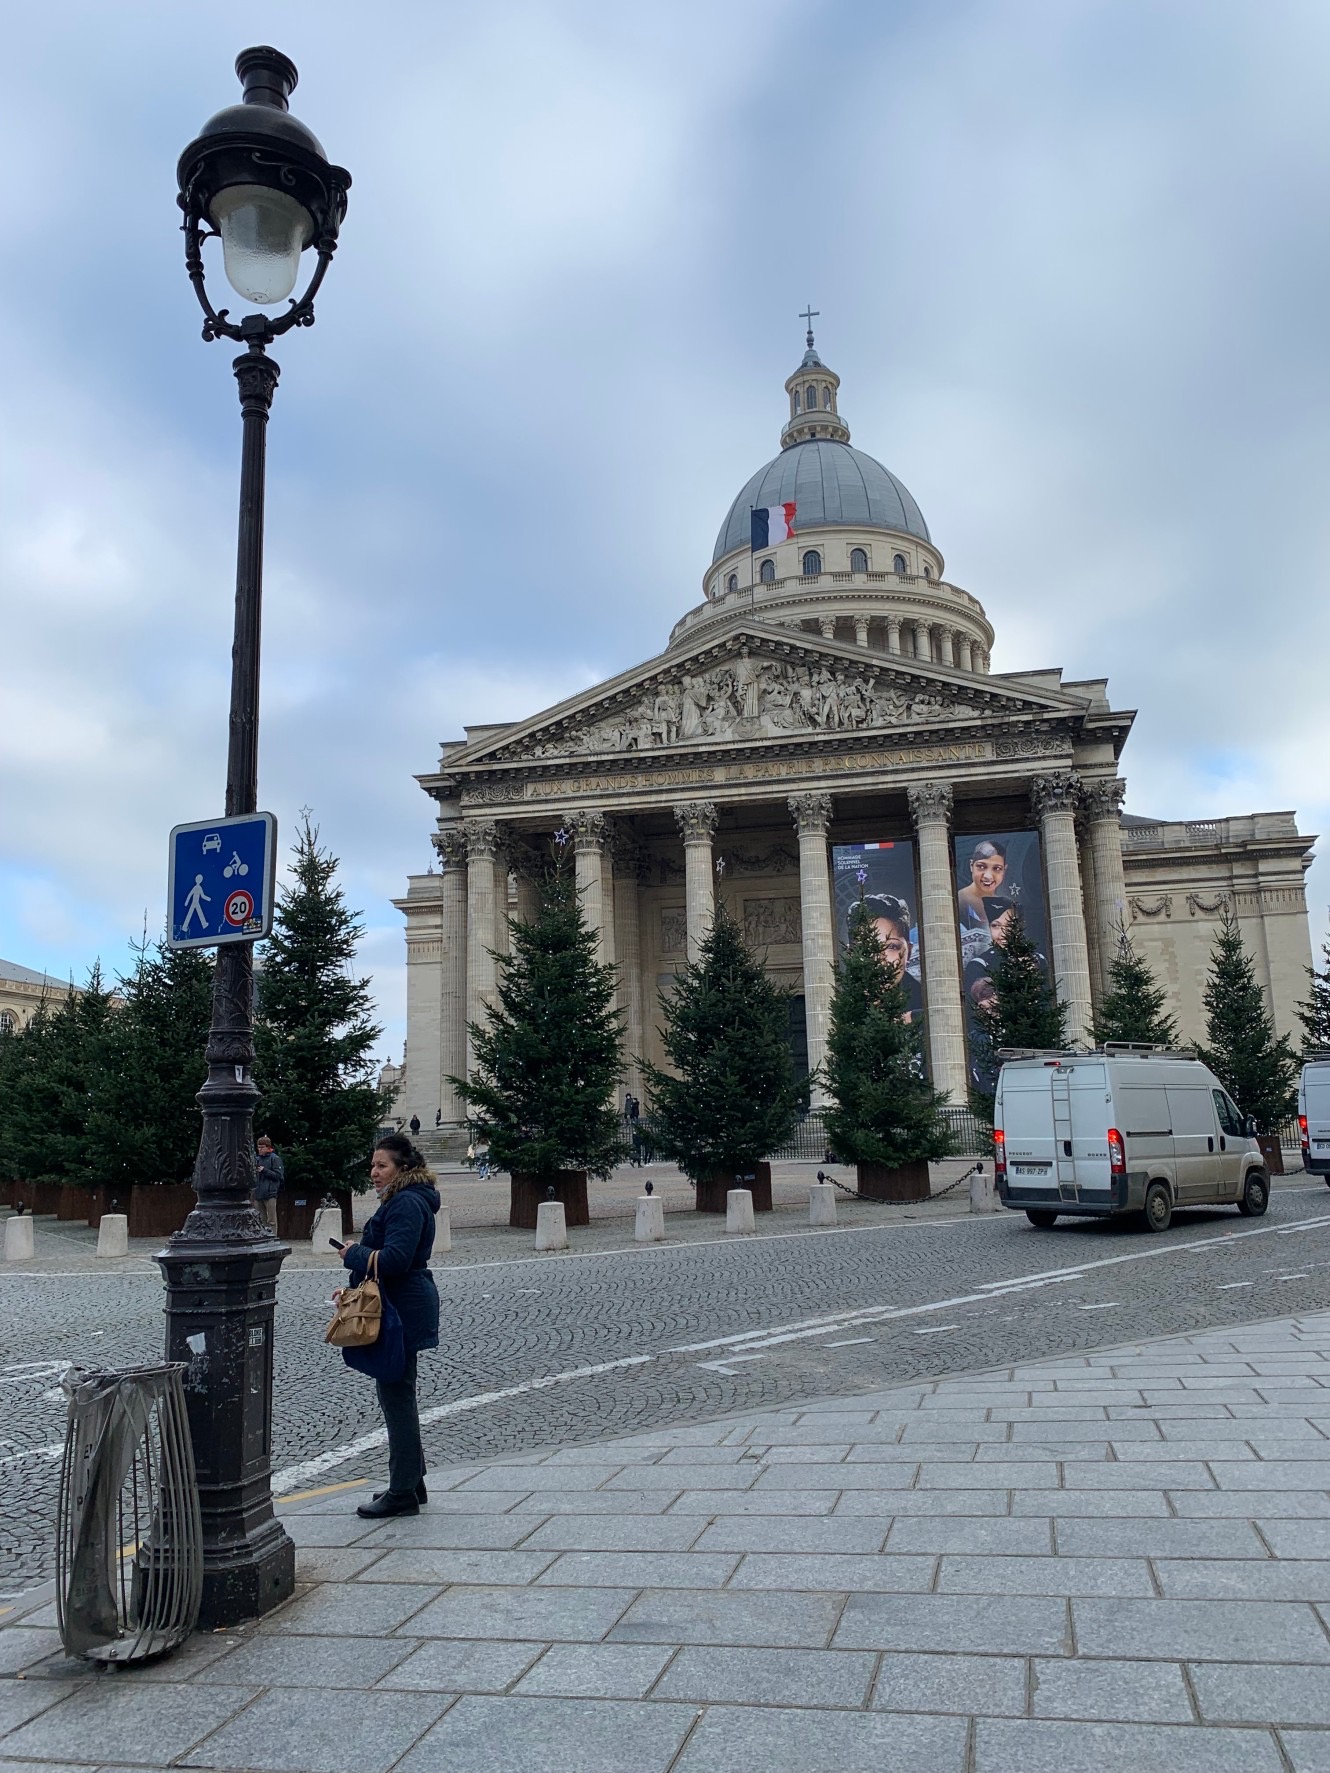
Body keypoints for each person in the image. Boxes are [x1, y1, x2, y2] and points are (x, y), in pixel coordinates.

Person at [336, 1133, 440, 1519]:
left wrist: (353, 1254)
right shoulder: (404, 1200)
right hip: (399, 1301)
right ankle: (413, 1483)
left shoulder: (407, 1203)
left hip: (403, 1308)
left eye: (382, 1165)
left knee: (397, 1399)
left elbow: (395, 1259)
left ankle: (402, 1493)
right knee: (398, 1395)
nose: (374, 1172)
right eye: (373, 1165)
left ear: (404, 1168)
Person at [860, 894, 924, 1022]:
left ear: (909, 952)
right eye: (868, 947)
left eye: (892, 947)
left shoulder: (930, 1013)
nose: (879, 958)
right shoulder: (836, 1011)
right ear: (851, 953)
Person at [958, 838, 1008, 932]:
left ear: (1004, 870)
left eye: (997, 868)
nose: (988, 876)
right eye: (981, 867)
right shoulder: (957, 902)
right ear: (971, 865)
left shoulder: (1007, 906)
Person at [253, 1136, 284, 1232]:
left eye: (262, 1147)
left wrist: (264, 1170)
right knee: (260, 1220)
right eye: (258, 1147)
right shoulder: (256, 1159)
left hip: (270, 1193)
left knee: (271, 1220)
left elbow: (278, 1176)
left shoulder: (275, 1159)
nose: (260, 1149)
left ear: (268, 1147)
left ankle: (273, 1238)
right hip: (258, 1193)